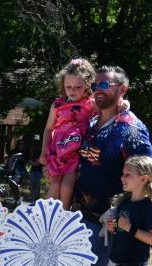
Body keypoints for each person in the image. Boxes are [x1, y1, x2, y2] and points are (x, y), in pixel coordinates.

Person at [75, 65, 152, 266]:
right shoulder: (89, 124)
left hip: (112, 222)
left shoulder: (131, 130)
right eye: (96, 85)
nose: (98, 89)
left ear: (122, 89)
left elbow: (150, 170)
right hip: (82, 216)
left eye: (105, 85)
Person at [40, 59, 98, 209]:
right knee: (54, 185)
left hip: (76, 152)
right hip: (58, 151)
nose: (72, 91)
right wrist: (43, 153)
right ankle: (47, 218)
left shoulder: (91, 104)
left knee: (66, 187)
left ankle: (63, 218)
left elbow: (111, 108)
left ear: (87, 85)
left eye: (77, 87)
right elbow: (48, 129)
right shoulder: (57, 105)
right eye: (68, 87)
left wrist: (124, 104)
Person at [105, 156, 152, 266]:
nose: (122, 177)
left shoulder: (149, 208)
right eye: (123, 174)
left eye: (128, 174)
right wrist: (113, 227)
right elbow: (120, 230)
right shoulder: (123, 202)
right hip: (114, 263)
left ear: (143, 179)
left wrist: (130, 228)